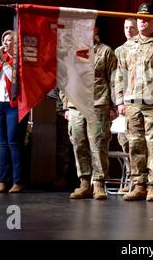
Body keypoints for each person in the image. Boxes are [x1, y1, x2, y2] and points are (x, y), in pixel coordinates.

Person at [115, 3, 153, 202]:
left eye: (147, 19)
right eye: (140, 18)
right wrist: (119, 100)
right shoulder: (127, 47)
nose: (142, 21)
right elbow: (120, 75)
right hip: (132, 102)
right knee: (135, 145)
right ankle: (138, 184)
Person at [62, 24, 117, 200]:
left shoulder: (106, 51)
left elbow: (114, 79)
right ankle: (84, 182)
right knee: (79, 142)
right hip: (76, 105)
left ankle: (99, 183)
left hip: (99, 103)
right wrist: (66, 106)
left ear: (96, 31)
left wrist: (114, 105)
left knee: (98, 144)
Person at [0, 30, 30, 193]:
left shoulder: (18, 62)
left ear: (16, 43)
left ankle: (18, 181)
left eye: (10, 40)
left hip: (14, 106)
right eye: (4, 40)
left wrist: (4, 61)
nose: (6, 43)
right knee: (2, 144)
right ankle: (4, 181)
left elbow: (15, 81)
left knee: (13, 143)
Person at [115, 18, 138, 193]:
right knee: (124, 141)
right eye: (125, 27)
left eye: (131, 27)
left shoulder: (141, 48)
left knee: (137, 142)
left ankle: (139, 180)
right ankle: (130, 177)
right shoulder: (119, 51)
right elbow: (117, 78)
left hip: (140, 101)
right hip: (124, 103)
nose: (128, 30)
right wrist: (119, 101)